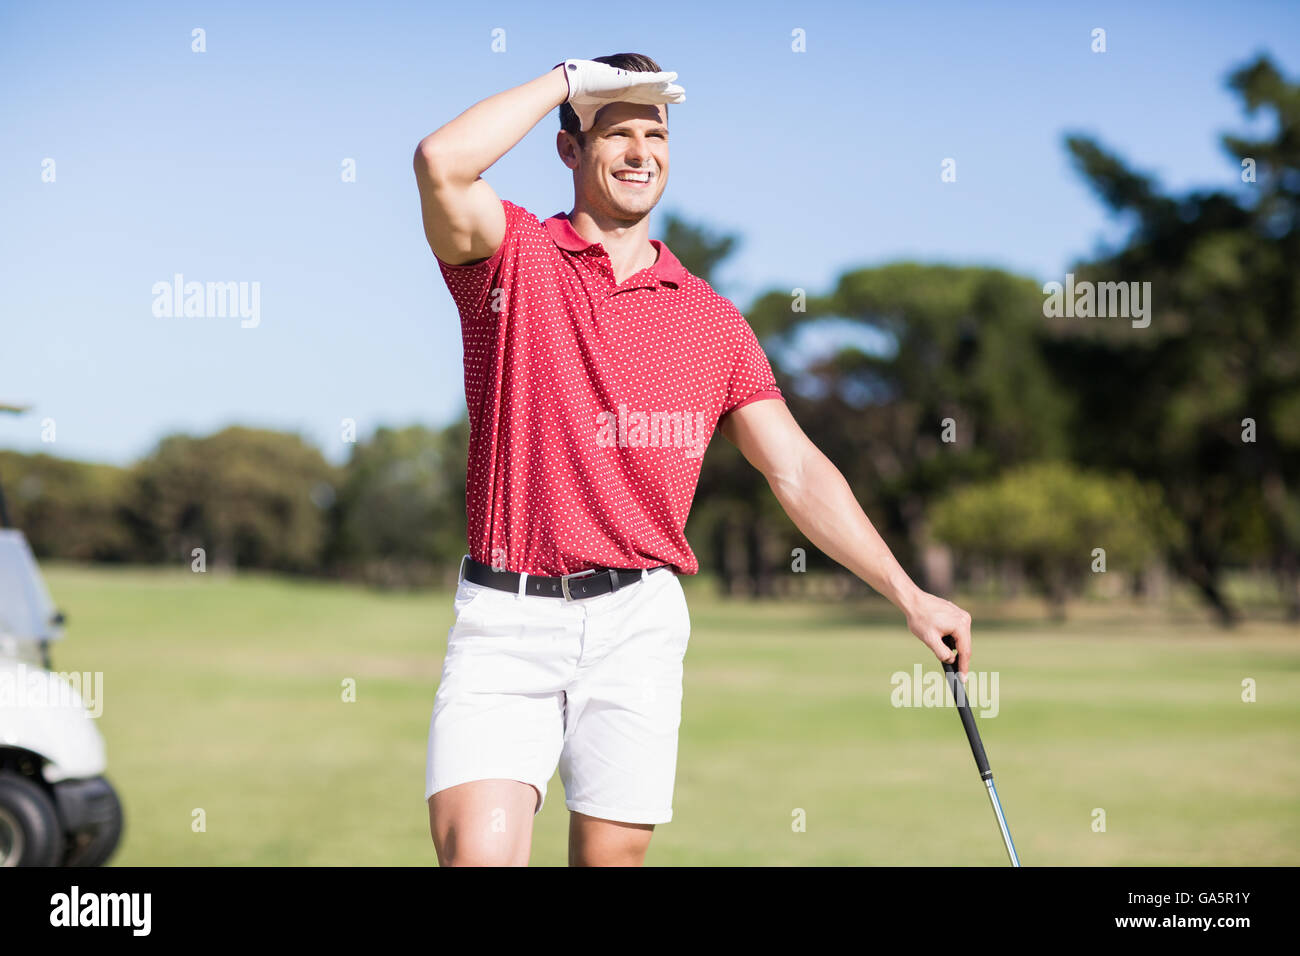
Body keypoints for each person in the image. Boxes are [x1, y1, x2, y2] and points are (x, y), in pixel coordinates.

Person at [414, 53, 974, 866]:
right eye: (618, 133)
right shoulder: (511, 260)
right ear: (569, 149)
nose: (642, 152)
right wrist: (568, 81)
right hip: (508, 619)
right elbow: (440, 161)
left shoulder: (713, 321)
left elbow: (797, 470)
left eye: (657, 134)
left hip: (636, 623)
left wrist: (911, 594)